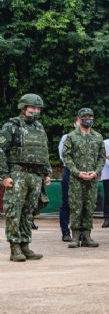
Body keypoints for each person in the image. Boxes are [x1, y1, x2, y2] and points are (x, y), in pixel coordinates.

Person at [0, 93, 50, 261]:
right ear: (23, 108)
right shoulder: (11, 126)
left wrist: (46, 172)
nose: (35, 111)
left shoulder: (39, 127)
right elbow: (0, 151)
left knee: (29, 213)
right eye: (32, 108)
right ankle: (15, 248)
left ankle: (25, 245)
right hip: (17, 174)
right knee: (14, 211)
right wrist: (3, 176)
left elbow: (44, 151)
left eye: (38, 108)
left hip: (35, 176)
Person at [62, 108, 106, 248]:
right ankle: (75, 236)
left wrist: (96, 172)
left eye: (90, 116)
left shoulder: (98, 137)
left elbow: (102, 157)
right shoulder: (71, 136)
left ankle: (87, 235)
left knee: (89, 206)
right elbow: (66, 156)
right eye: (85, 116)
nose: (88, 119)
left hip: (92, 179)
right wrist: (76, 172)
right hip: (76, 178)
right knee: (76, 206)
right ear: (79, 119)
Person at [57, 116, 79, 242]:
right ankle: (65, 232)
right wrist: (75, 169)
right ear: (75, 122)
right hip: (70, 172)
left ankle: (81, 232)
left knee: (83, 203)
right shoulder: (66, 137)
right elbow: (63, 155)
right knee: (66, 202)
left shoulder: (92, 137)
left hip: (85, 173)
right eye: (79, 120)